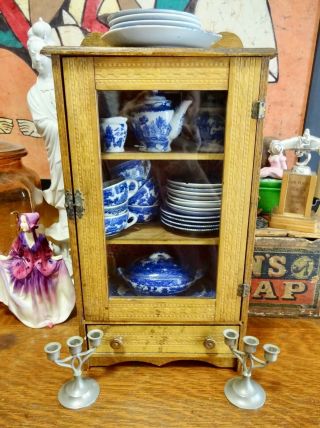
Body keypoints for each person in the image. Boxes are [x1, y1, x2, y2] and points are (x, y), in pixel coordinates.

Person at [0, 212, 75, 328]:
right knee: (32, 297)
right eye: (22, 222)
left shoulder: (40, 238)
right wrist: (7, 259)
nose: (22, 224)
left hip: (41, 270)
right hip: (26, 272)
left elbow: (47, 252)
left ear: (32, 223)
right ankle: (37, 318)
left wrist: (55, 259)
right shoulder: (20, 238)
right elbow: (15, 252)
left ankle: (49, 316)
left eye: (25, 222)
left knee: (45, 295)